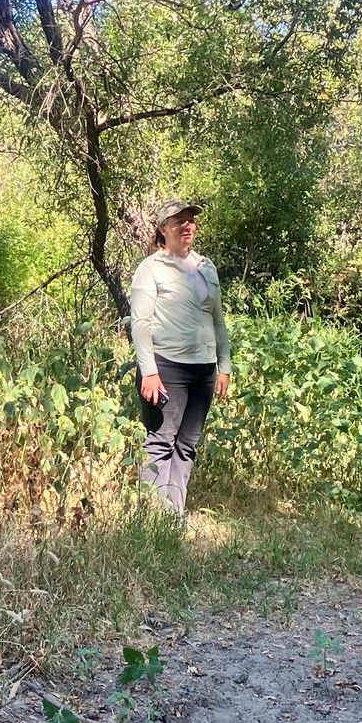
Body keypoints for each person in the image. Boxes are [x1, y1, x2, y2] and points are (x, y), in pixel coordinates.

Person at [129, 199, 232, 515]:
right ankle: (153, 519)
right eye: (178, 222)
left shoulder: (205, 267)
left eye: (190, 221)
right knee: (161, 443)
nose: (187, 226)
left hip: (203, 371)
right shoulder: (151, 269)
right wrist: (149, 371)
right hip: (166, 368)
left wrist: (223, 365)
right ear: (163, 229)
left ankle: (174, 514)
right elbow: (141, 324)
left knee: (187, 445)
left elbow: (217, 320)